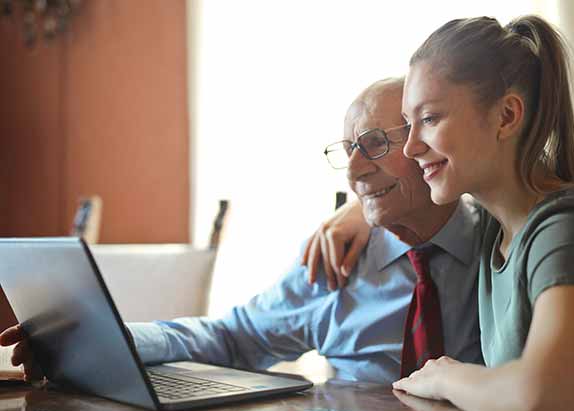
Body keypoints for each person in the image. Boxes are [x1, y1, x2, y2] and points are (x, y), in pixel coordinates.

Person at [306, 15, 574, 411]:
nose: (412, 146)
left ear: (506, 116)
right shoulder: (498, 229)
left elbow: (545, 405)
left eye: (431, 119)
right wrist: (364, 211)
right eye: (409, 123)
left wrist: (443, 376)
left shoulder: (569, 231)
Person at [0, 77, 484, 385]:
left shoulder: (505, 240)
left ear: (430, 142)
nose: (353, 170)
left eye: (375, 143)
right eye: (348, 149)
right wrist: (111, 339)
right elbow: (234, 337)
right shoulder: (336, 259)